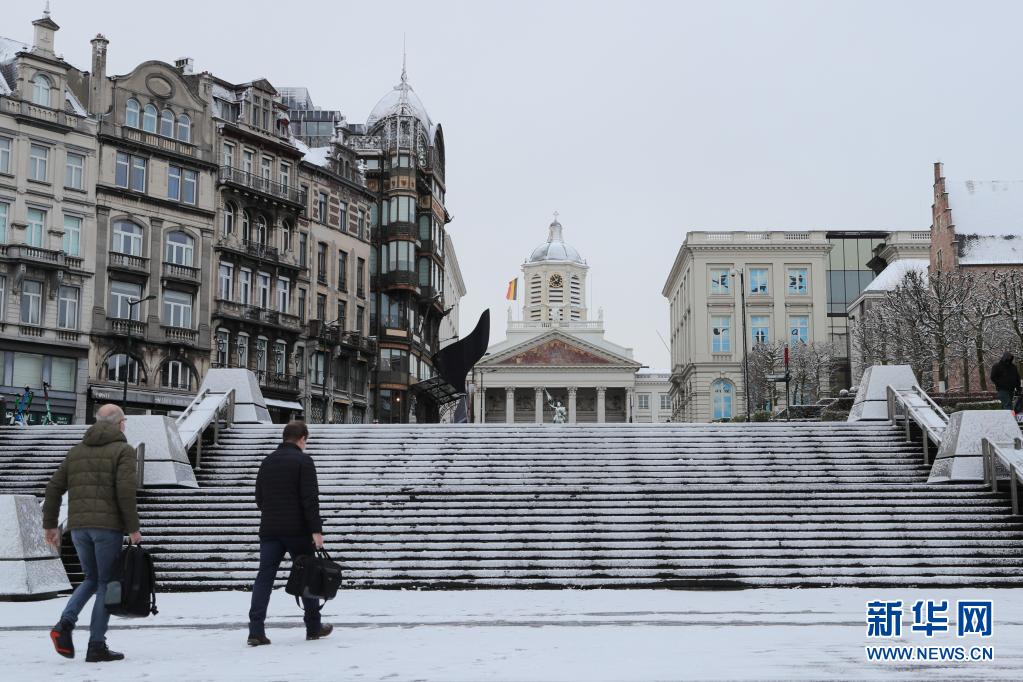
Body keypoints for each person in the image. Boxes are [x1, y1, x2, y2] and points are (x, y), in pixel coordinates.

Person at [42, 404, 142, 663]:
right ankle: (96, 645)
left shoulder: (77, 451)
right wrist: (133, 528)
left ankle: (64, 624)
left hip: (78, 528)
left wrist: (50, 525)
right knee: (106, 583)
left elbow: (53, 488)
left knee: (91, 578)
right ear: (119, 423)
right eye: (124, 421)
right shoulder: (123, 450)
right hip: (107, 528)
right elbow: (125, 492)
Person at [247, 420, 332, 646]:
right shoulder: (304, 461)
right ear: (302, 439)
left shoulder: (267, 461)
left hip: (270, 530)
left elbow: (259, 498)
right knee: (308, 575)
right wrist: (316, 530)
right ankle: (313, 627)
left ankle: (255, 630)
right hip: (298, 531)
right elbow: (310, 500)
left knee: (264, 578)